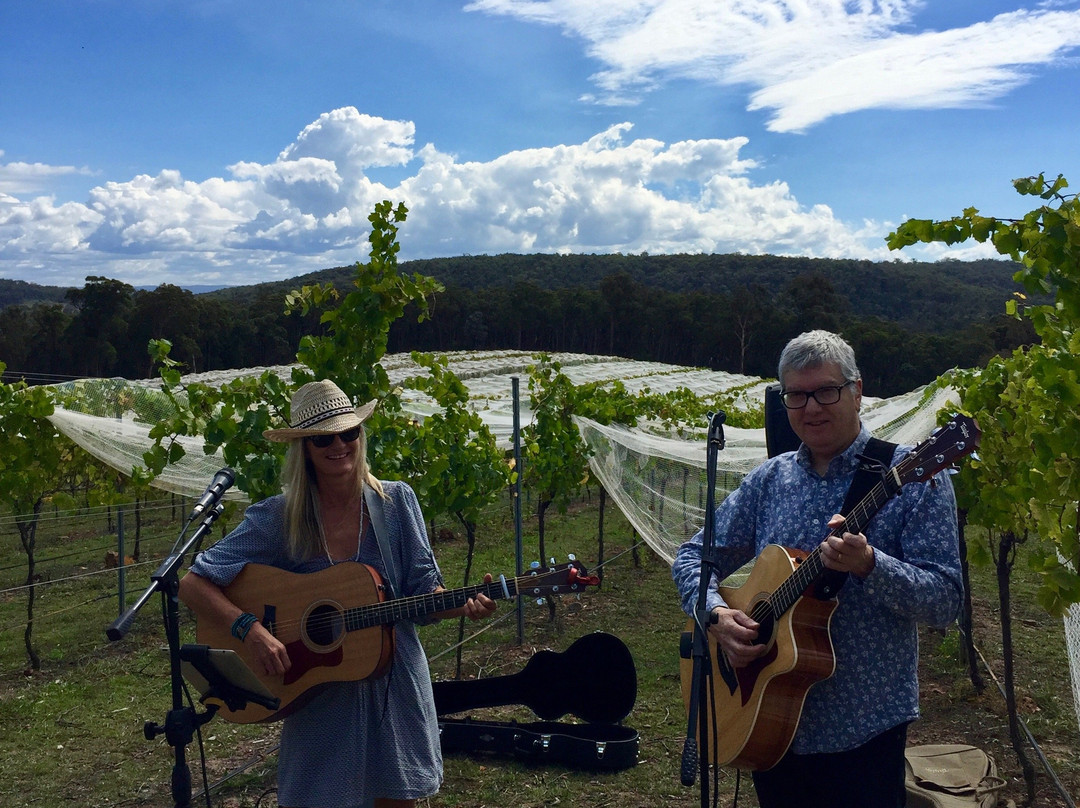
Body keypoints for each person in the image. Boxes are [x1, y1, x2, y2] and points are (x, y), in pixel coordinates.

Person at [671, 330, 963, 808]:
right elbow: (693, 557)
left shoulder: (914, 478)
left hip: (864, 726)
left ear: (857, 391)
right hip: (765, 718)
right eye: (796, 395)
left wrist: (872, 565)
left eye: (826, 391)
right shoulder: (770, 479)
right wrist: (716, 616)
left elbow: (945, 601)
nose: (811, 408)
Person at [178, 379, 498, 808]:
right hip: (320, 695)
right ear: (305, 448)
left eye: (349, 433)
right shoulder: (280, 516)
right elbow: (192, 583)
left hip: (394, 686)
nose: (339, 445)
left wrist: (462, 604)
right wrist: (250, 630)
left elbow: (424, 592)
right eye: (324, 438)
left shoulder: (396, 502)